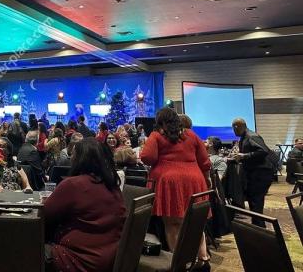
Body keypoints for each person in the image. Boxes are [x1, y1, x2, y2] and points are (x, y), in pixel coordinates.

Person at [141, 108, 211, 270]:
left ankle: (181, 263)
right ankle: (203, 259)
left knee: (173, 224)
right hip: (195, 181)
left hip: (169, 183)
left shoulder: (157, 135)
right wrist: (207, 180)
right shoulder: (191, 135)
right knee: (196, 222)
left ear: (160, 121)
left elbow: (147, 157)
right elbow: (205, 162)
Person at [44, 138, 125, 272]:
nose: (71, 159)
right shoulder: (113, 186)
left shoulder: (73, 185)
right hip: (109, 259)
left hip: (77, 259)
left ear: (80, 159)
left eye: (74, 155)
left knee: (23, 248)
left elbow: (43, 215)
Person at [232, 117, 275, 227]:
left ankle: (260, 230)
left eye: (233, 128)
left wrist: (244, 156)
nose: (233, 131)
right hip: (257, 173)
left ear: (237, 127)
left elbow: (263, 151)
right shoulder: (245, 136)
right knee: (254, 201)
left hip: (261, 173)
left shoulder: (251, 136)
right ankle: (258, 228)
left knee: (256, 202)